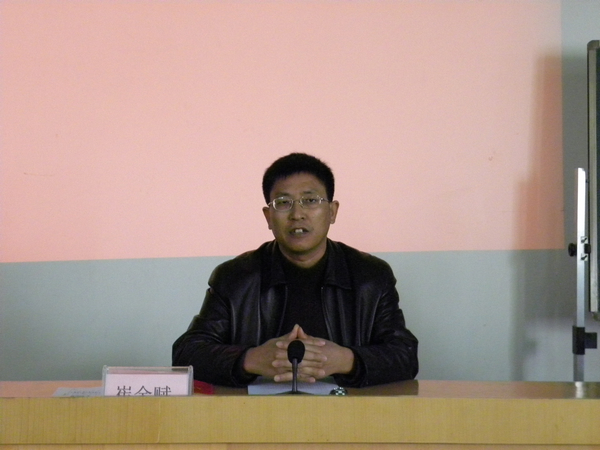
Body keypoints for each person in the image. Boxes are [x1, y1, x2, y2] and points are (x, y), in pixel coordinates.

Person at [172, 153, 418, 387]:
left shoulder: (370, 276)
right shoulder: (235, 277)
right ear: (268, 217)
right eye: (283, 203)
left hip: (348, 412)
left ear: (332, 211)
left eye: (310, 201)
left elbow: (405, 356)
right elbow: (187, 352)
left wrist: (345, 360)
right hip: (258, 412)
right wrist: (252, 359)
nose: (297, 214)